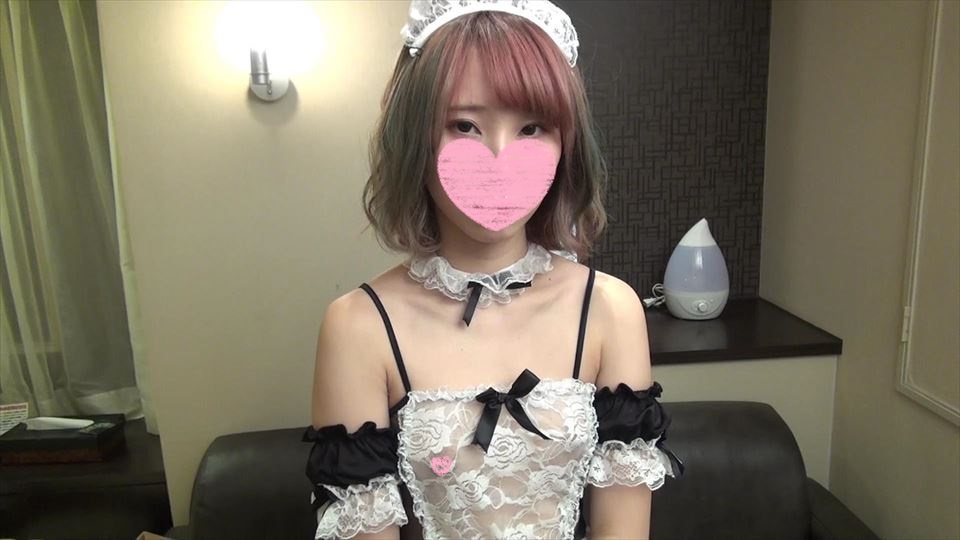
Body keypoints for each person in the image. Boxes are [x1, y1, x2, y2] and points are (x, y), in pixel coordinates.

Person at [303, 1, 683, 539]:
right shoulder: (359, 326)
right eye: (464, 125)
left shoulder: (609, 309)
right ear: (414, 136)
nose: (500, 156)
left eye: (532, 127)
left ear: (564, 145)